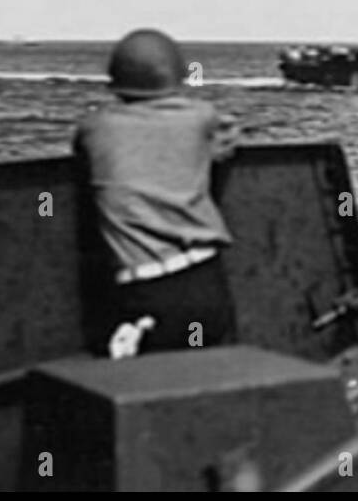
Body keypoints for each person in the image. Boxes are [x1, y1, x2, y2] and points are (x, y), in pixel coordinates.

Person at [74, 28, 239, 358]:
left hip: (147, 294)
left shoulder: (94, 127)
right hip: (208, 283)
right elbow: (225, 142)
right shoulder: (204, 118)